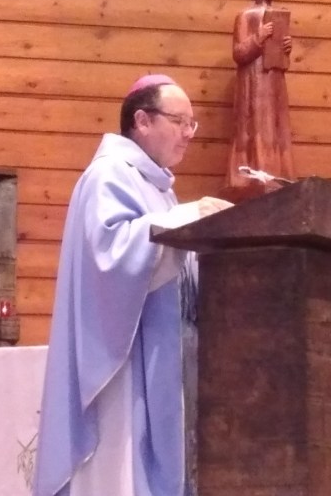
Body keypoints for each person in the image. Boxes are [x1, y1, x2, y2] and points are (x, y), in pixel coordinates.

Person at [33, 74, 232, 495]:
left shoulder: (160, 190)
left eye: (192, 124)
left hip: (161, 355)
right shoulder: (108, 175)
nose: (189, 133)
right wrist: (189, 218)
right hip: (122, 363)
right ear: (142, 120)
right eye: (179, 121)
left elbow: (175, 270)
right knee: (121, 469)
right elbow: (111, 256)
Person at [226, 0, 295, 189]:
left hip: (274, 82)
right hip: (253, 83)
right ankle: (251, 175)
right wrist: (259, 37)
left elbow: (282, 60)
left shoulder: (279, 16)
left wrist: (285, 49)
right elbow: (239, 53)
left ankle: (278, 174)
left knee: (275, 127)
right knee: (255, 127)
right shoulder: (245, 16)